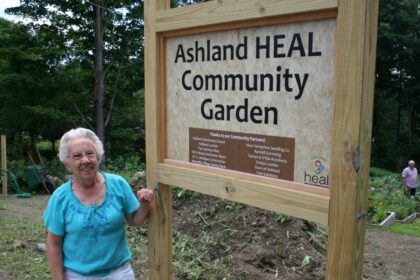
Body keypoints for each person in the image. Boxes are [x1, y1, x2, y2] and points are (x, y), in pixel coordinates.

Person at [43, 127, 154, 280]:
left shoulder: (118, 184)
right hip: (77, 275)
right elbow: (54, 244)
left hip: (119, 273)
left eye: (90, 153)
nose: (85, 160)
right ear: (67, 164)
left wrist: (145, 204)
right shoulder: (60, 198)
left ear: (98, 157)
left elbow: (135, 221)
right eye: (77, 156)